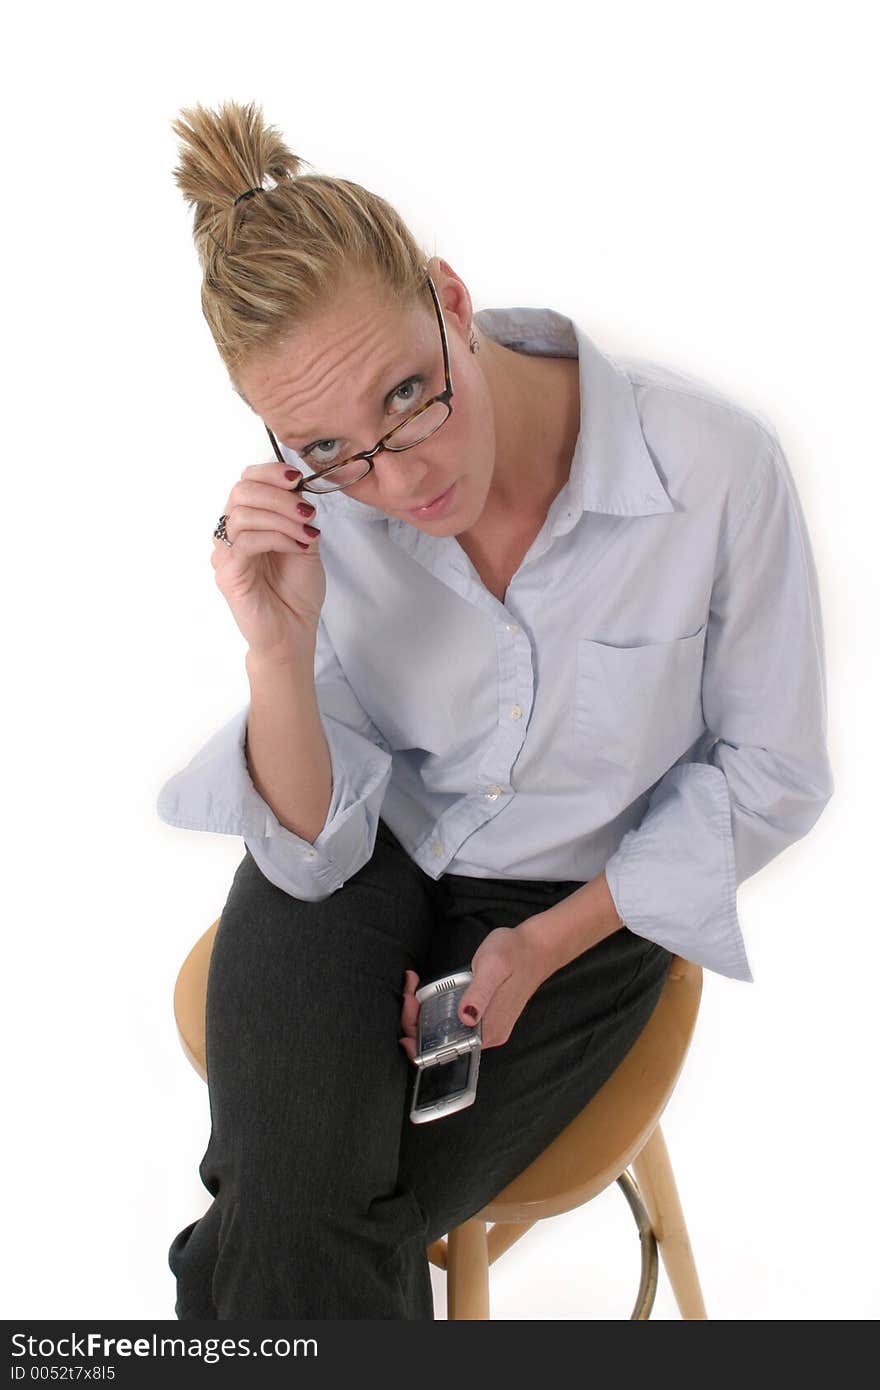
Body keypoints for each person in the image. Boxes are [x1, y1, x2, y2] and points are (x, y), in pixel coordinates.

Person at [157, 100, 834, 1320]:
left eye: (409, 393)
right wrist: (277, 645)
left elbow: (769, 770)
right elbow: (313, 852)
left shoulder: (715, 470)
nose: (398, 476)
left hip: (579, 909)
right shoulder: (323, 523)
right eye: (328, 446)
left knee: (284, 1220)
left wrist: (544, 942)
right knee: (300, 1206)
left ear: (450, 296)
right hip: (362, 857)